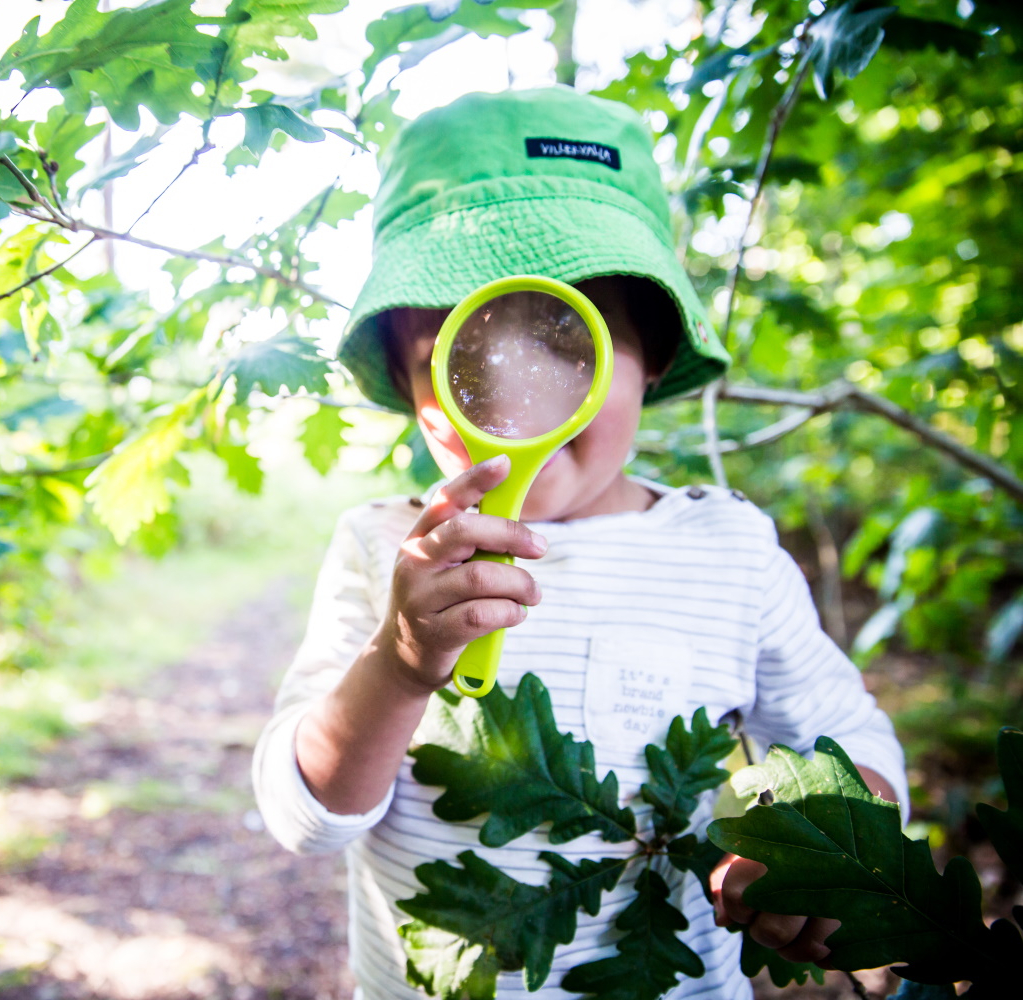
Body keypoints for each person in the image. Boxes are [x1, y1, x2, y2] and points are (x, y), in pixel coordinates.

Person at [250, 87, 907, 999]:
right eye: (463, 355)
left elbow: (851, 741)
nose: (518, 399)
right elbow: (303, 817)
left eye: (567, 343)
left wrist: (823, 839)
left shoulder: (729, 550)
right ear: (410, 384)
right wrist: (399, 667)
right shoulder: (381, 546)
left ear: (652, 360)